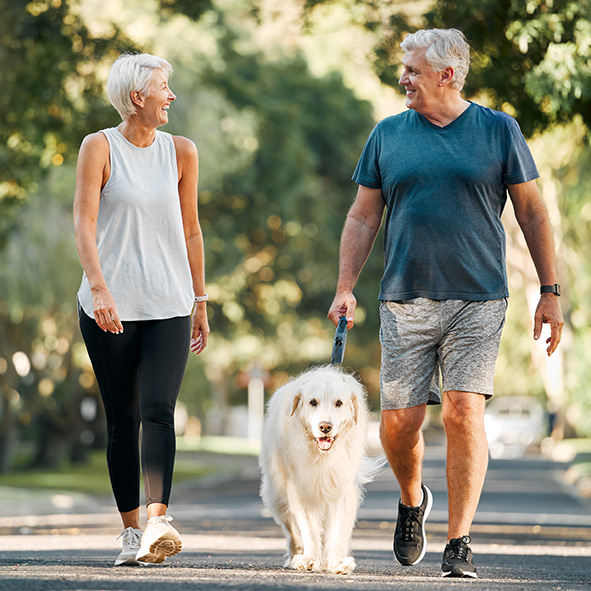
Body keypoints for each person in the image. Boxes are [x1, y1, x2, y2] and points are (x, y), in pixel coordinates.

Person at [328, 28, 563, 579]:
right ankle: (413, 501)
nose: (403, 78)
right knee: (398, 424)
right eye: (403, 69)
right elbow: (363, 217)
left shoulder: (498, 130)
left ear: (446, 75)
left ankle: (459, 540)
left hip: (479, 296)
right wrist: (345, 286)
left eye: (411, 69)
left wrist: (550, 292)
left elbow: (532, 211)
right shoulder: (387, 134)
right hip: (404, 295)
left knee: (464, 410)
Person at [73, 53, 210, 566]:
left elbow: (192, 229)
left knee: (158, 411)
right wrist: (100, 288)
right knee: (122, 417)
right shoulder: (98, 147)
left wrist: (199, 299)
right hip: (110, 306)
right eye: (163, 87)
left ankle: (157, 523)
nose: (170, 95)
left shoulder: (182, 152)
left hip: (169, 302)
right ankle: (131, 531)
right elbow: (85, 224)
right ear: (137, 97)